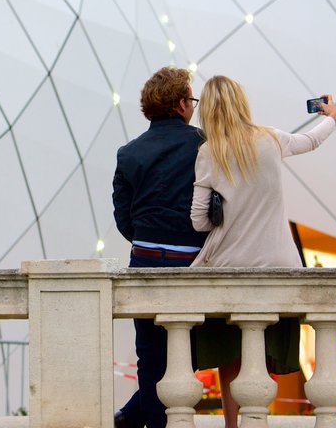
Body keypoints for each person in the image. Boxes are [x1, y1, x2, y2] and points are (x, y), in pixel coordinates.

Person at [188, 75, 336, 428]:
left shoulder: (208, 152)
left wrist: (224, 210)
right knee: (264, 351)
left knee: (230, 354)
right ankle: (258, 419)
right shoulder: (270, 139)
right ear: (242, 102)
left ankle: (231, 424)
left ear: (207, 111)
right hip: (279, 264)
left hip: (229, 266)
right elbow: (311, 141)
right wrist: (331, 116)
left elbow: (198, 221)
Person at [112, 66, 210, 428]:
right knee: (187, 354)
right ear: (183, 103)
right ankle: (132, 414)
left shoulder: (129, 153)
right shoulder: (204, 144)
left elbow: (124, 219)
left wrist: (151, 240)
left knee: (151, 357)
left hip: (145, 262)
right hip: (193, 264)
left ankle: (138, 416)